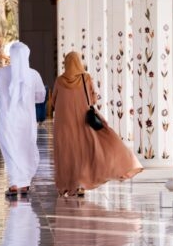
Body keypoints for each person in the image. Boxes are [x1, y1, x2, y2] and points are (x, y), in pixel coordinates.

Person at [52, 51, 143, 196]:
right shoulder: (85, 78)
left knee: (67, 152)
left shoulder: (59, 81)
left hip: (64, 124)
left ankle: (67, 186)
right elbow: (93, 99)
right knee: (83, 151)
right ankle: (81, 184)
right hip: (83, 121)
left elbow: (54, 101)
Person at [0, 41, 46, 197]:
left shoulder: (0, 73)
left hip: (7, 120)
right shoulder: (33, 75)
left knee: (11, 150)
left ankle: (14, 184)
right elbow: (40, 98)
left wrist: (2, 106)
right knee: (25, 148)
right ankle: (24, 184)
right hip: (26, 120)